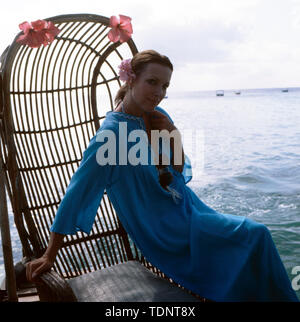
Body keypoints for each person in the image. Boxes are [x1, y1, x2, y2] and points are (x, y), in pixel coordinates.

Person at [26, 50, 299, 302]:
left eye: (165, 86)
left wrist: (172, 132)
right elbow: (78, 193)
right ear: (131, 80)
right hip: (163, 230)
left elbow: (178, 170)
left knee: (253, 242)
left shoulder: (158, 117)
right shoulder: (110, 138)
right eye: (152, 82)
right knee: (256, 234)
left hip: (189, 209)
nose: (159, 92)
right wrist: (51, 253)